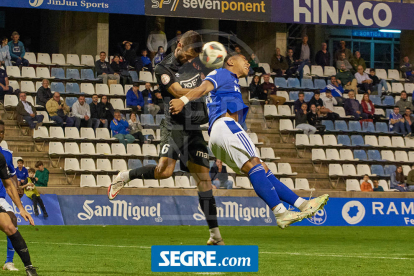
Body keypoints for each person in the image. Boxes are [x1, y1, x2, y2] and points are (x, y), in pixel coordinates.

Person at [169, 53, 329, 229]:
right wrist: (183, 100)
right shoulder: (222, 73)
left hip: (221, 133)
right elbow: (204, 88)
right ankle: (281, 213)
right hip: (225, 126)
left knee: (262, 169)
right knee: (256, 165)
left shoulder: (231, 83)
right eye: (243, 59)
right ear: (230, 62)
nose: (247, 62)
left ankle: (302, 204)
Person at [109, 31, 225, 245]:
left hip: (194, 127)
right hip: (175, 125)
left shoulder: (199, 61)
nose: (191, 60)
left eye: (195, 56)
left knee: (204, 182)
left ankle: (215, 236)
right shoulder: (163, 67)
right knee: (165, 171)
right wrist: (204, 89)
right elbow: (178, 91)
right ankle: (125, 176)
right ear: (179, 45)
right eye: (189, 55)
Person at [0, 151, 37, 275]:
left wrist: (21, 208)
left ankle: (29, 268)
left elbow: (9, 183)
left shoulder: (2, 157)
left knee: (10, 226)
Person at [0, 122, 26, 271]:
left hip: (0, 197)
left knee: (13, 219)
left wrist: (17, 188)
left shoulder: (7, 154)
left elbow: (12, 174)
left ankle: (9, 262)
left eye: (2, 132)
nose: (0, 135)